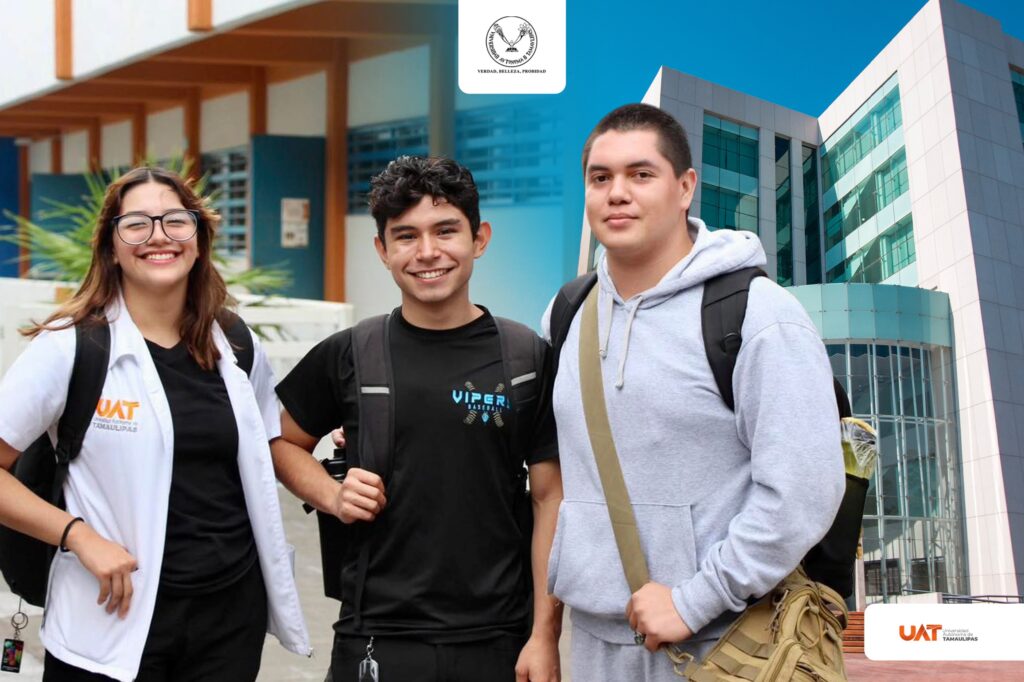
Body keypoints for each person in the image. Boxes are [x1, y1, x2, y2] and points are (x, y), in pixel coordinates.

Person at [542, 103, 845, 680]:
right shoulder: (566, 314)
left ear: (685, 188)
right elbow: (550, 476)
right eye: (600, 178)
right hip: (592, 642)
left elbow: (803, 490)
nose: (617, 193)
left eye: (641, 174)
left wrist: (696, 599)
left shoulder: (757, 314)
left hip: (725, 643)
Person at [0, 167, 310, 681]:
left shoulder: (236, 343)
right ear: (111, 247)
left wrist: (336, 488)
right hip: (109, 616)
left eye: (175, 221)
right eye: (137, 224)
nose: (159, 236)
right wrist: (77, 536)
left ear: (199, 238)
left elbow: (270, 445)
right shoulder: (71, 346)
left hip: (228, 618)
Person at [272, 156, 563, 682]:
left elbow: (549, 500)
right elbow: (279, 441)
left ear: (479, 238)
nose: (427, 252)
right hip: (376, 634)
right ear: (382, 250)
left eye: (445, 230)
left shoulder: (525, 358)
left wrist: (544, 635)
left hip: (498, 636)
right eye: (405, 236)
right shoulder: (352, 353)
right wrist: (332, 495)